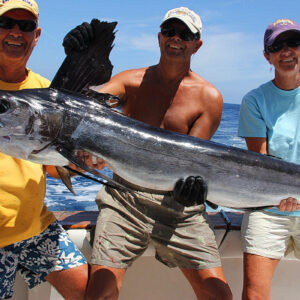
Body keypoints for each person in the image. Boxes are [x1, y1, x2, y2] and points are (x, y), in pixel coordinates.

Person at [64, 7, 232, 300]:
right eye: (169, 31)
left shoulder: (210, 97)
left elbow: (195, 162)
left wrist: (193, 189)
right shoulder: (130, 81)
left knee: (219, 295)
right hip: (124, 199)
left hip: (179, 208)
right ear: (159, 37)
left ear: (197, 44)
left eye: (185, 34)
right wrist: (76, 60)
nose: (176, 38)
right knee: (99, 294)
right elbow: (83, 107)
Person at [0, 1, 89, 299]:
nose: (15, 32)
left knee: (93, 292)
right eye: (6, 23)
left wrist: (80, 162)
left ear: (36, 35)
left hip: (35, 225)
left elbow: (53, 167)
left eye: (25, 26)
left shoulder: (46, 91)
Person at [238, 18, 300, 300]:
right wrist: (281, 195)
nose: (287, 51)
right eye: (278, 46)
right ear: (268, 56)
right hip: (270, 207)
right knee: (254, 295)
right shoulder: (254, 100)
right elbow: (259, 163)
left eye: (294, 43)